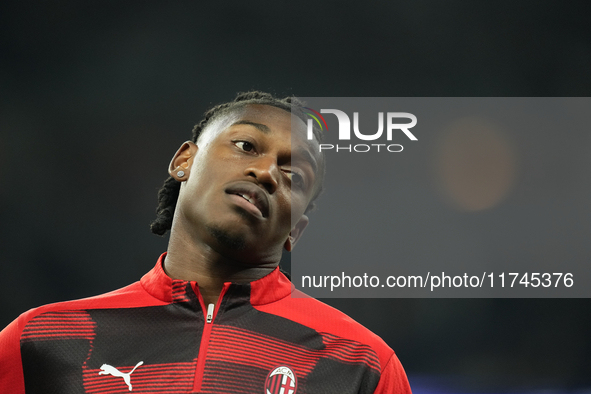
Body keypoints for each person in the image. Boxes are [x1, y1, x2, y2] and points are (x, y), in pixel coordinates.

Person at [0, 91, 411, 393]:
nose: (266, 172)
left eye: (294, 176)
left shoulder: (361, 365)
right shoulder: (41, 340)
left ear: (295, 231)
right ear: (184, 161)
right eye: (246, 146)